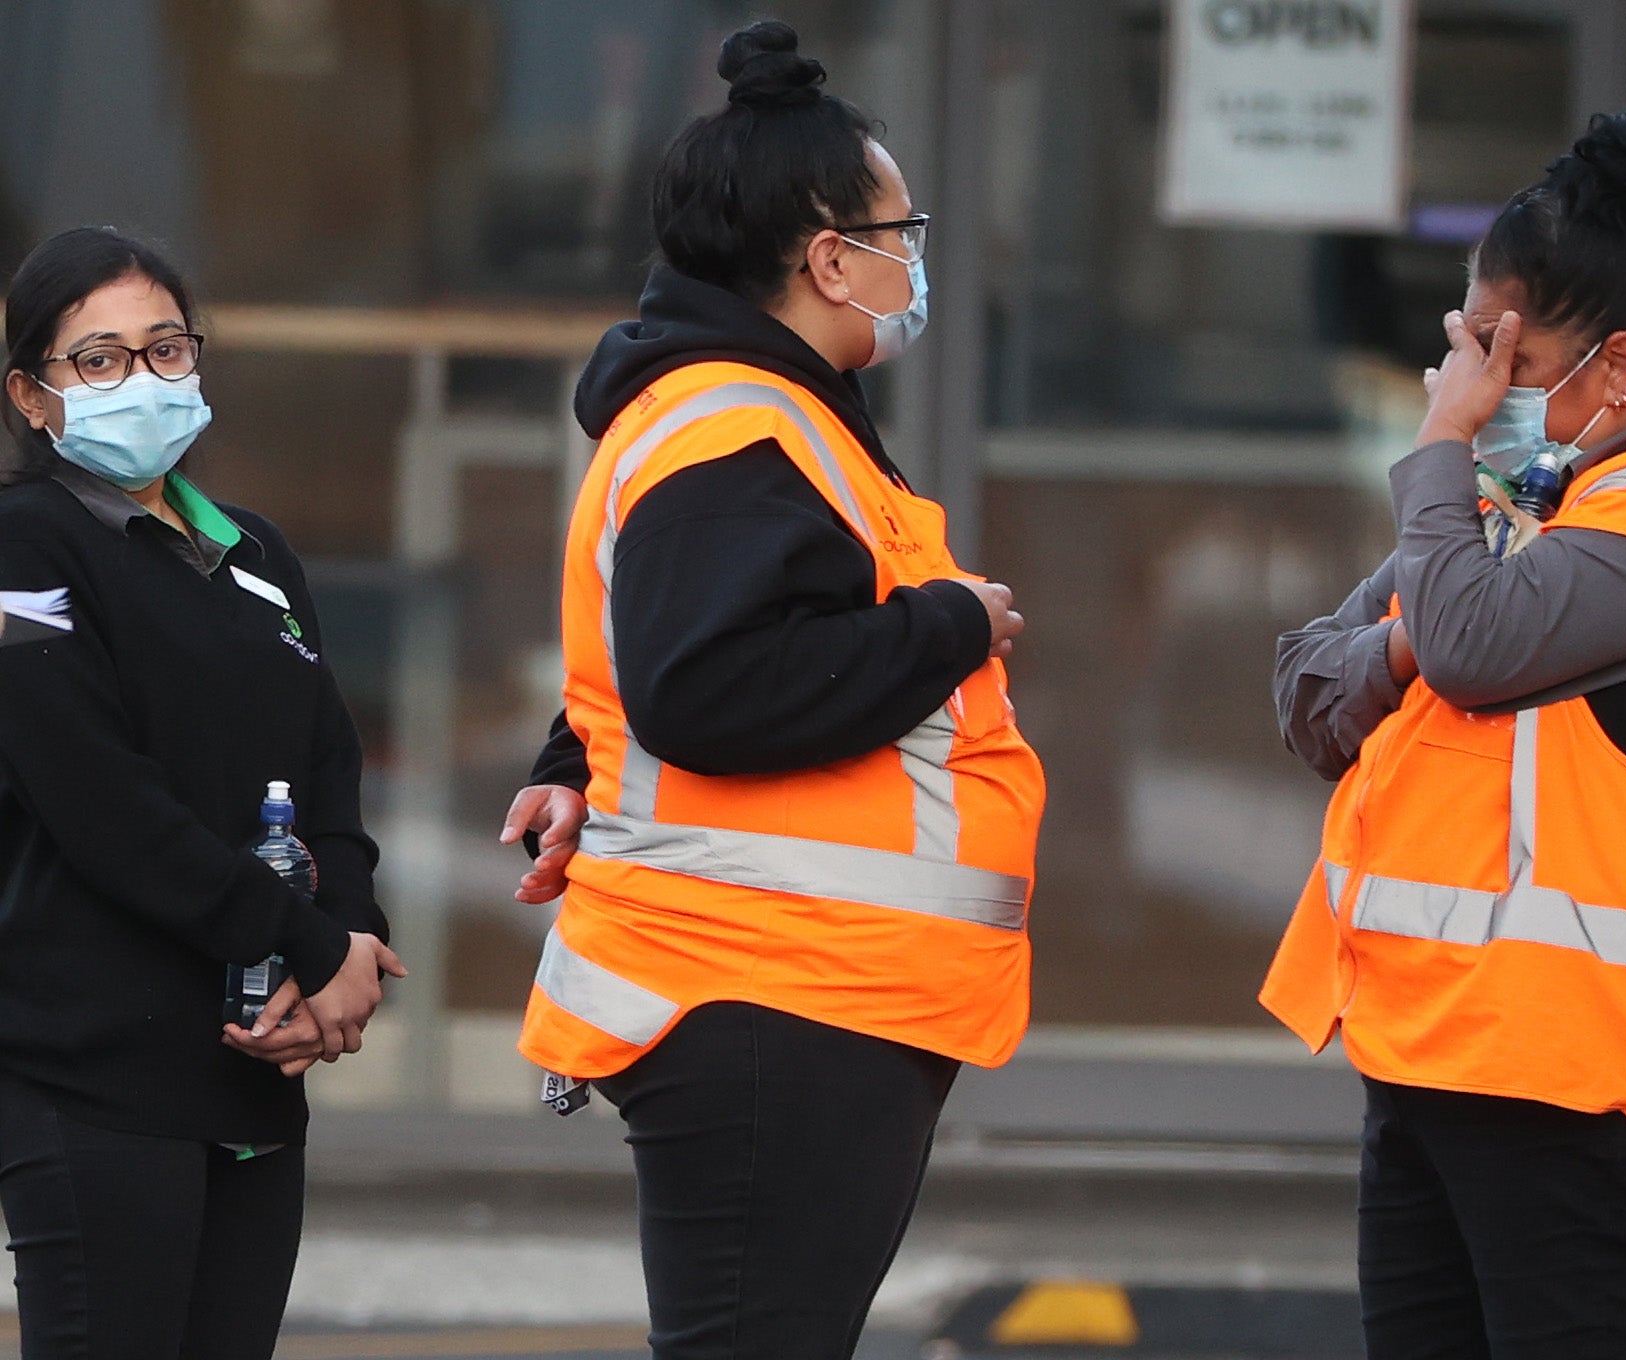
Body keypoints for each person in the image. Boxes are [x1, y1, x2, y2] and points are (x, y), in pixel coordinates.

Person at [497, 22, 1045, 1360]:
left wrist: (571, 758)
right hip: (768, 995)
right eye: (895, 230)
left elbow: (673, 648)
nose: (910, 259)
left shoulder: (763, 410)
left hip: (804, 991)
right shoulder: (738, 422)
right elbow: (711, 685)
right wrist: (942, 624)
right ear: (823, 257)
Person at [1263, 114, 1626, 1359]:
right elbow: (1306, 690)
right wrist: (1410, 630)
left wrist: (1437, 473)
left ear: (1616, 370)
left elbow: (1462, 646)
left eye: (1496, 355)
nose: (1459, 383)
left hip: (1588, 1087)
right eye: (1460, 346)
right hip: (1432, 1059)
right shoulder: (1524, 506)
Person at [0, 227, 405, 1359]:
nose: (142, 377)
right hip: (92, 1073)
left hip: (252, 1070)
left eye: (166, 347)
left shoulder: (255, 552)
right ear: (32, 398)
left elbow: (328, 768)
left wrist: (351, 936)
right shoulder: (21, 552)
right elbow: (103, 808)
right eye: (99, 358)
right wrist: (311, 948)